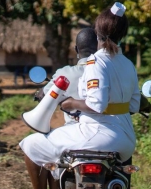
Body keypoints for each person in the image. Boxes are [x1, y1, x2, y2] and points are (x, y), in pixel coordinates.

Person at [19, 2, 140, 189]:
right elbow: (133, 106)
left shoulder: (96, 62)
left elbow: (97, 105)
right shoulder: (128, 64)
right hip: (125, 141)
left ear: (98, 32)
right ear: (122, 35)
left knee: (30, 143)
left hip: (96, 134)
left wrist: (70, 103)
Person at [20, 27, 98, 189]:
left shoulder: (66, 73)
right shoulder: (109, 73)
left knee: (33, 147)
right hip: (107, 136)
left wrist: (42, 93)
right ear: (99, 48)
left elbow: (46, 94)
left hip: (73, 136)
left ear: (76, 50)